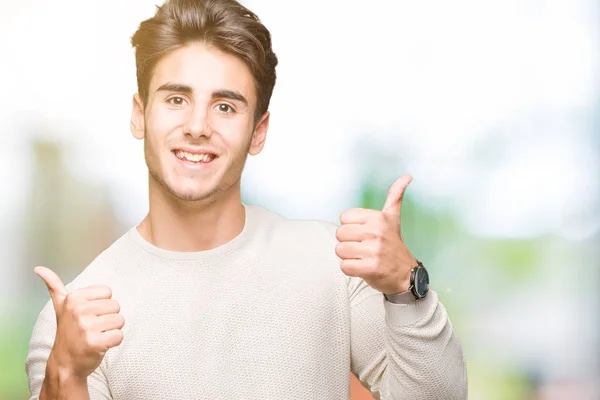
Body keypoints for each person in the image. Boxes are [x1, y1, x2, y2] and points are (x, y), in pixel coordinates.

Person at [25, 0, 468, 399]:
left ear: (258, 131)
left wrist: (404, 287)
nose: (197, 125)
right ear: (140, 115)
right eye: (177, 98)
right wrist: (64, 376)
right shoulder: (74, 317)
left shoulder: (332, 265)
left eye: (225, 106)